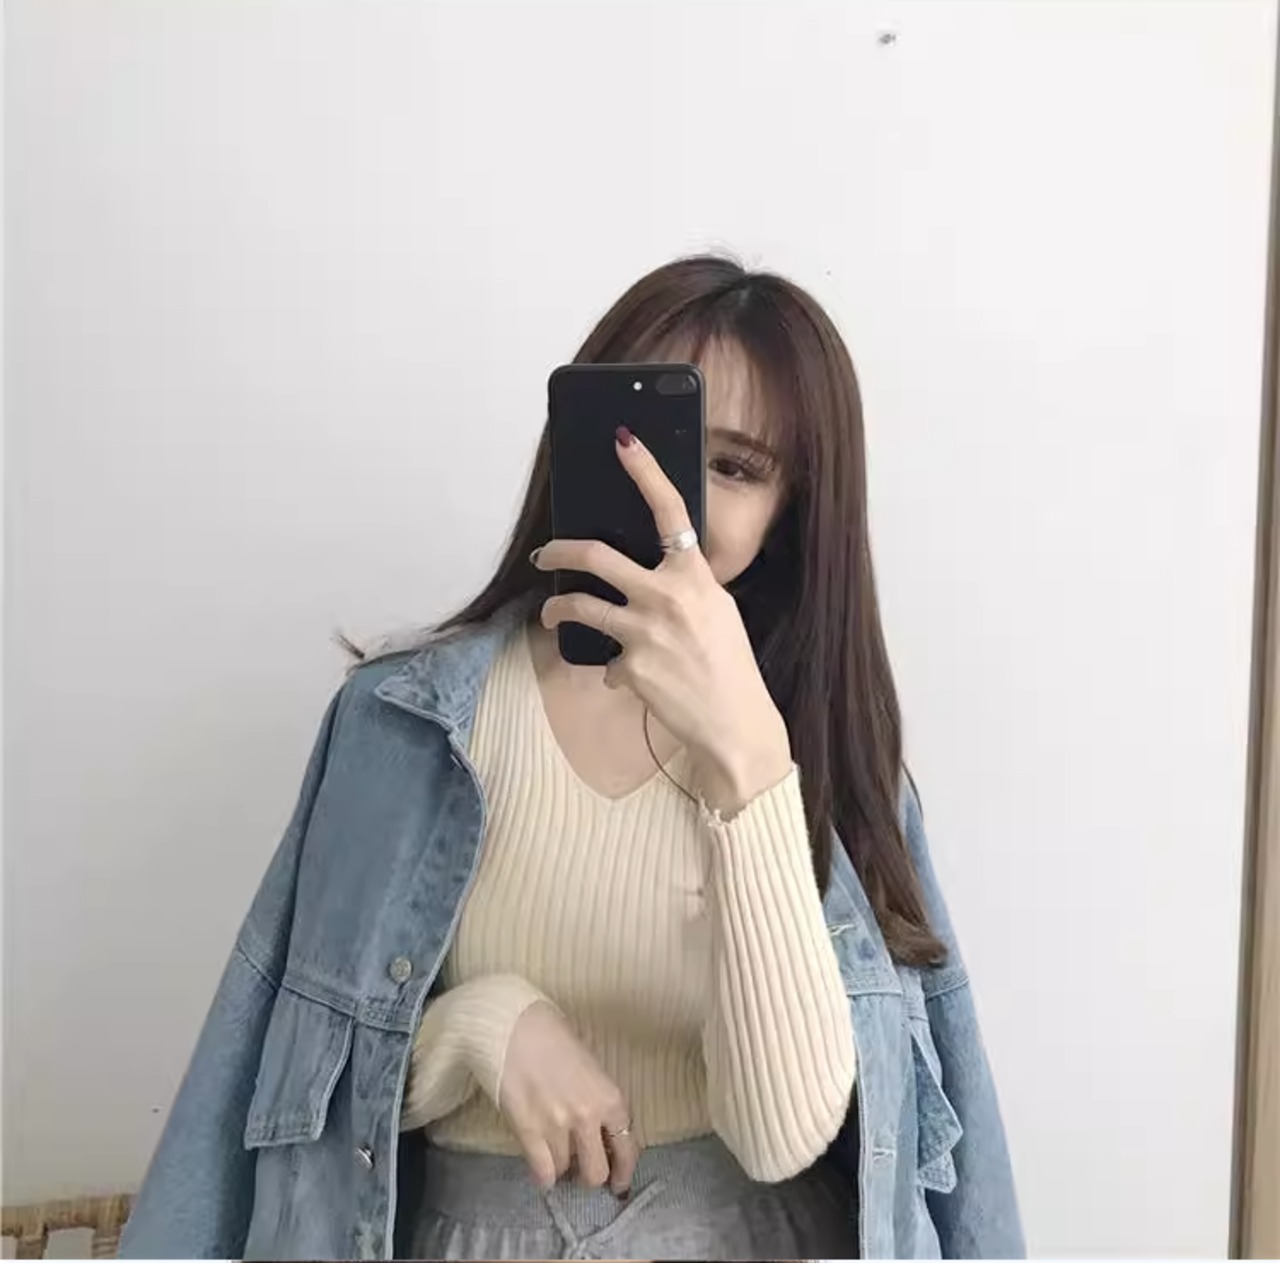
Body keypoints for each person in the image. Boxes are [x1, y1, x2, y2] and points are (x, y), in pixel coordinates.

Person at [120, 255, 1024, 1260]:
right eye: (646, 446)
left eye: (734, 468)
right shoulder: (401, 730)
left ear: (792, 512)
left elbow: (780, 1137)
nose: (671, 499)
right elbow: (280, 1081)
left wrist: (748, 761)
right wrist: (479, 1029)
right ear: (574, 442)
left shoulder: (828, 760)